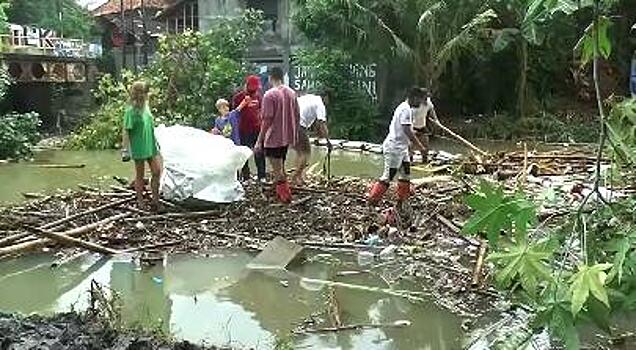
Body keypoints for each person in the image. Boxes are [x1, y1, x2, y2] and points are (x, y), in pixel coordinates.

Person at [367, 87, 428, 205]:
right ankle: (373, 199)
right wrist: (419, 146)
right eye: (420, 100)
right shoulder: (406, 110)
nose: (420, 104)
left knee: (405, 173)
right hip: (394, 148)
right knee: (388, 176)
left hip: (402, 148)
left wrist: (410, 146)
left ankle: (402, 199)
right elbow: (407, 130)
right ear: (414, 98)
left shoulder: (406, 108)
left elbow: (406, 130)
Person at [254, 67, 299, 204]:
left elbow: (267, 119)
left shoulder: (269, 95)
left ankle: (285, 195)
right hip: (286, 137)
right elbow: (297, 115)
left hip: (273, 137)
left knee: (277, 169)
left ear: (270, 77)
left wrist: (259, 140)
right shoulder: (291, 93)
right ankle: (279, 188)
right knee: (281, 165)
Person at [121, 81, 162, 211]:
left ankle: (155, 200)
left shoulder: (146, 107)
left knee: (157, 171)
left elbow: (150, 126)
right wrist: (125, 149)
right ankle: (140, 202)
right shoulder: (131, 111)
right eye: (144, 92)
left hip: (150, 144)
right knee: (140, 174)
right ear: (140, 93)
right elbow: (126, 131)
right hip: (139, 145)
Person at [292, 90, 332, 185]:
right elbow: (322, 124)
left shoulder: (308, 97)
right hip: (299, 125)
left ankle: (299, 176)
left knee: (299, 152)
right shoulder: (320, 104)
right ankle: (295, 177)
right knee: (306, 153)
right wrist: (328, 141)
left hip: (288, 123)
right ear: (326, 97)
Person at [233, 75, 266, 182]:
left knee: (259, 153)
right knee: (244, 154)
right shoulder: (238, 97)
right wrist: (243, 104)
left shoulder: (259, 97)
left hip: (257, 129)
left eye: (254, 90)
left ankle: (262, 176)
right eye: (250, 89)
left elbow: (261, 111)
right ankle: (246, 177)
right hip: (243, 130)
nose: (253, 92)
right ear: (246, 86)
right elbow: (234, 115)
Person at [411, 88, 438, 163]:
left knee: (425, 147)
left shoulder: (428, 102)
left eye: (427, 97)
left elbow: (432, 110)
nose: (426, 99)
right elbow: (409, 120)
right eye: (424, 97)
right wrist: (412, 131)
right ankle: (409, 163)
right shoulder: (414, 107)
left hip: (422, 127)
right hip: (412, 128)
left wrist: (436, 120)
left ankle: (424, 162)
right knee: (410, 147)